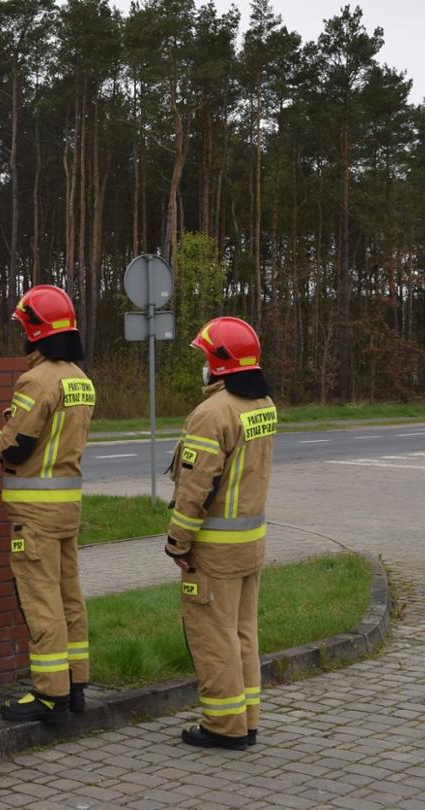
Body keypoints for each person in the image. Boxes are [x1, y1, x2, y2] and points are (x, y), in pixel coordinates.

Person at [0, 285, 96, 723]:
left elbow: (14, 447)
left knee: (40, 599)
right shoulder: (81, 380)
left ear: (34, 331)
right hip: (67, 510)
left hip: (35, 516)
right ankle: (75, 682)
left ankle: (50, 694)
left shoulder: (36, 380)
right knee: (69, 598)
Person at [165, 316, 276, 750]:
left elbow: (196, 488)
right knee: (243, 633)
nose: (201, 365)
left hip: (213, 550)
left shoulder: (212, 413)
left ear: (219, 362)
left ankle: (223, 726)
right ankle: (247, 719)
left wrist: (177, 541)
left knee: (214, 637)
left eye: (204, 356)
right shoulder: (262, 405)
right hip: (250, 544)